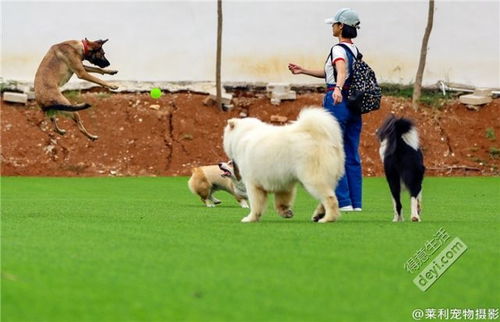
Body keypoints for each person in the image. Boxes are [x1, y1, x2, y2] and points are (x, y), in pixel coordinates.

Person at [288, 8, 363, 212]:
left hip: (337, 100)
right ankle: (356, 203)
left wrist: (337, 89)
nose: (332, 27)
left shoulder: (338, 49)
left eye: (334, 24)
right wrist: (303, 70)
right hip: (355, 102)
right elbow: (332, 72)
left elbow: (339, 71)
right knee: (351, 151)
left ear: (341, 27)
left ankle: (343, 201)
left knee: (332, 150)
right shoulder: (355, 51)